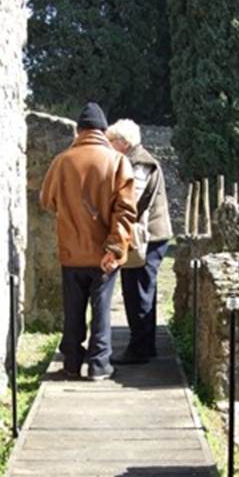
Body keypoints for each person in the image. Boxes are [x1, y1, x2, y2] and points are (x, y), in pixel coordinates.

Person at [40, 102, 136, 380]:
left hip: (71, 252)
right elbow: (126, 210)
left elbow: (46, 200)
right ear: (104, 131)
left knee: (73, 309)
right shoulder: (118, 162)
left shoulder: (61, 161)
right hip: (104, 253)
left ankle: (71, 361)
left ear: (79, 131)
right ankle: (98, 364)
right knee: (102, 309)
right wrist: (115, 247)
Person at [105, 119, 173, 364]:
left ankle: (141, 348)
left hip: (148, 237)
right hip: (152, 235)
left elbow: (130, 200)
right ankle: (144, 345)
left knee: (139, 291)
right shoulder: (137, 160)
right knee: (139, 290)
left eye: (112, 142)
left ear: (123, 143)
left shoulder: (139, 163)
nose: (109, 147)